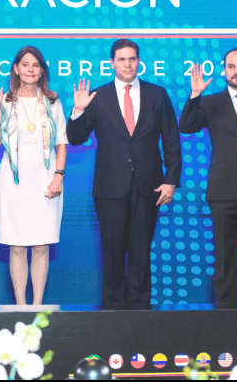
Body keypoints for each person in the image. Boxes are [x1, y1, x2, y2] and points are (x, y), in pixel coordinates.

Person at [67, 38, 181, 309]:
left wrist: (171, 180)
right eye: (121, 59)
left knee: (141, 252)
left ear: (139, 61)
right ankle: (113, 310)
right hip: (110, 188)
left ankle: (141, 309)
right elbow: (75, 138)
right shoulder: (97, 96)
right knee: (113, 251)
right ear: (112, 63)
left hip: (149, 186)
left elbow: (172, 141)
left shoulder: (158, 94)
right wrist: (78, 110)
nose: (127, 64)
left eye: (132, 59)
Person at [0, 46, 67, 305]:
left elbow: (61, 143)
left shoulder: (52, 101)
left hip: (46, 180)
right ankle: (20, 307)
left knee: (41, 246)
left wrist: (58, 177)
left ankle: (38, 306)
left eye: (36, 65)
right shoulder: (5, 100)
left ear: (42, 71)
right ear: (16, 69)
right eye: (25, 65)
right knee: (16, 246)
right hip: (13, 182)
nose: (31, 70)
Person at [179, 49, 237, 309]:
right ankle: (224, 310)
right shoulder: (210, 102)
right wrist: (195, 95)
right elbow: (186, 126)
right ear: (224, 70)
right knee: (224, 252)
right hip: (224, 190)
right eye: (231, 66)